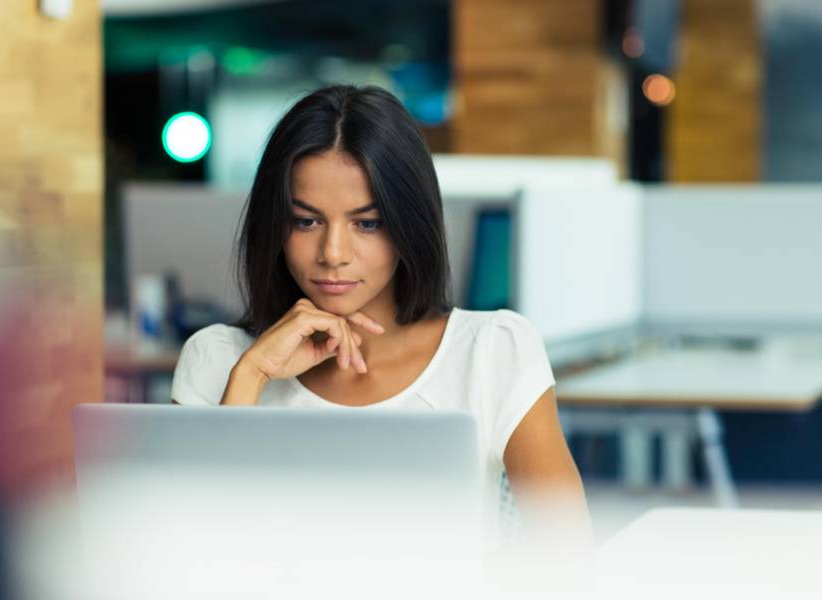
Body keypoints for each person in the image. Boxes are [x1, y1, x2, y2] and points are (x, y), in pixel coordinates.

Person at [170, 85, 591, 553]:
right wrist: (252, 376)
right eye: (305, 221)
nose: (333, 254)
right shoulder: (216, 361)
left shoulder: (494, 351)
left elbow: (567, 563)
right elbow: (190, 560)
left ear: (408, 224)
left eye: (366, 223)